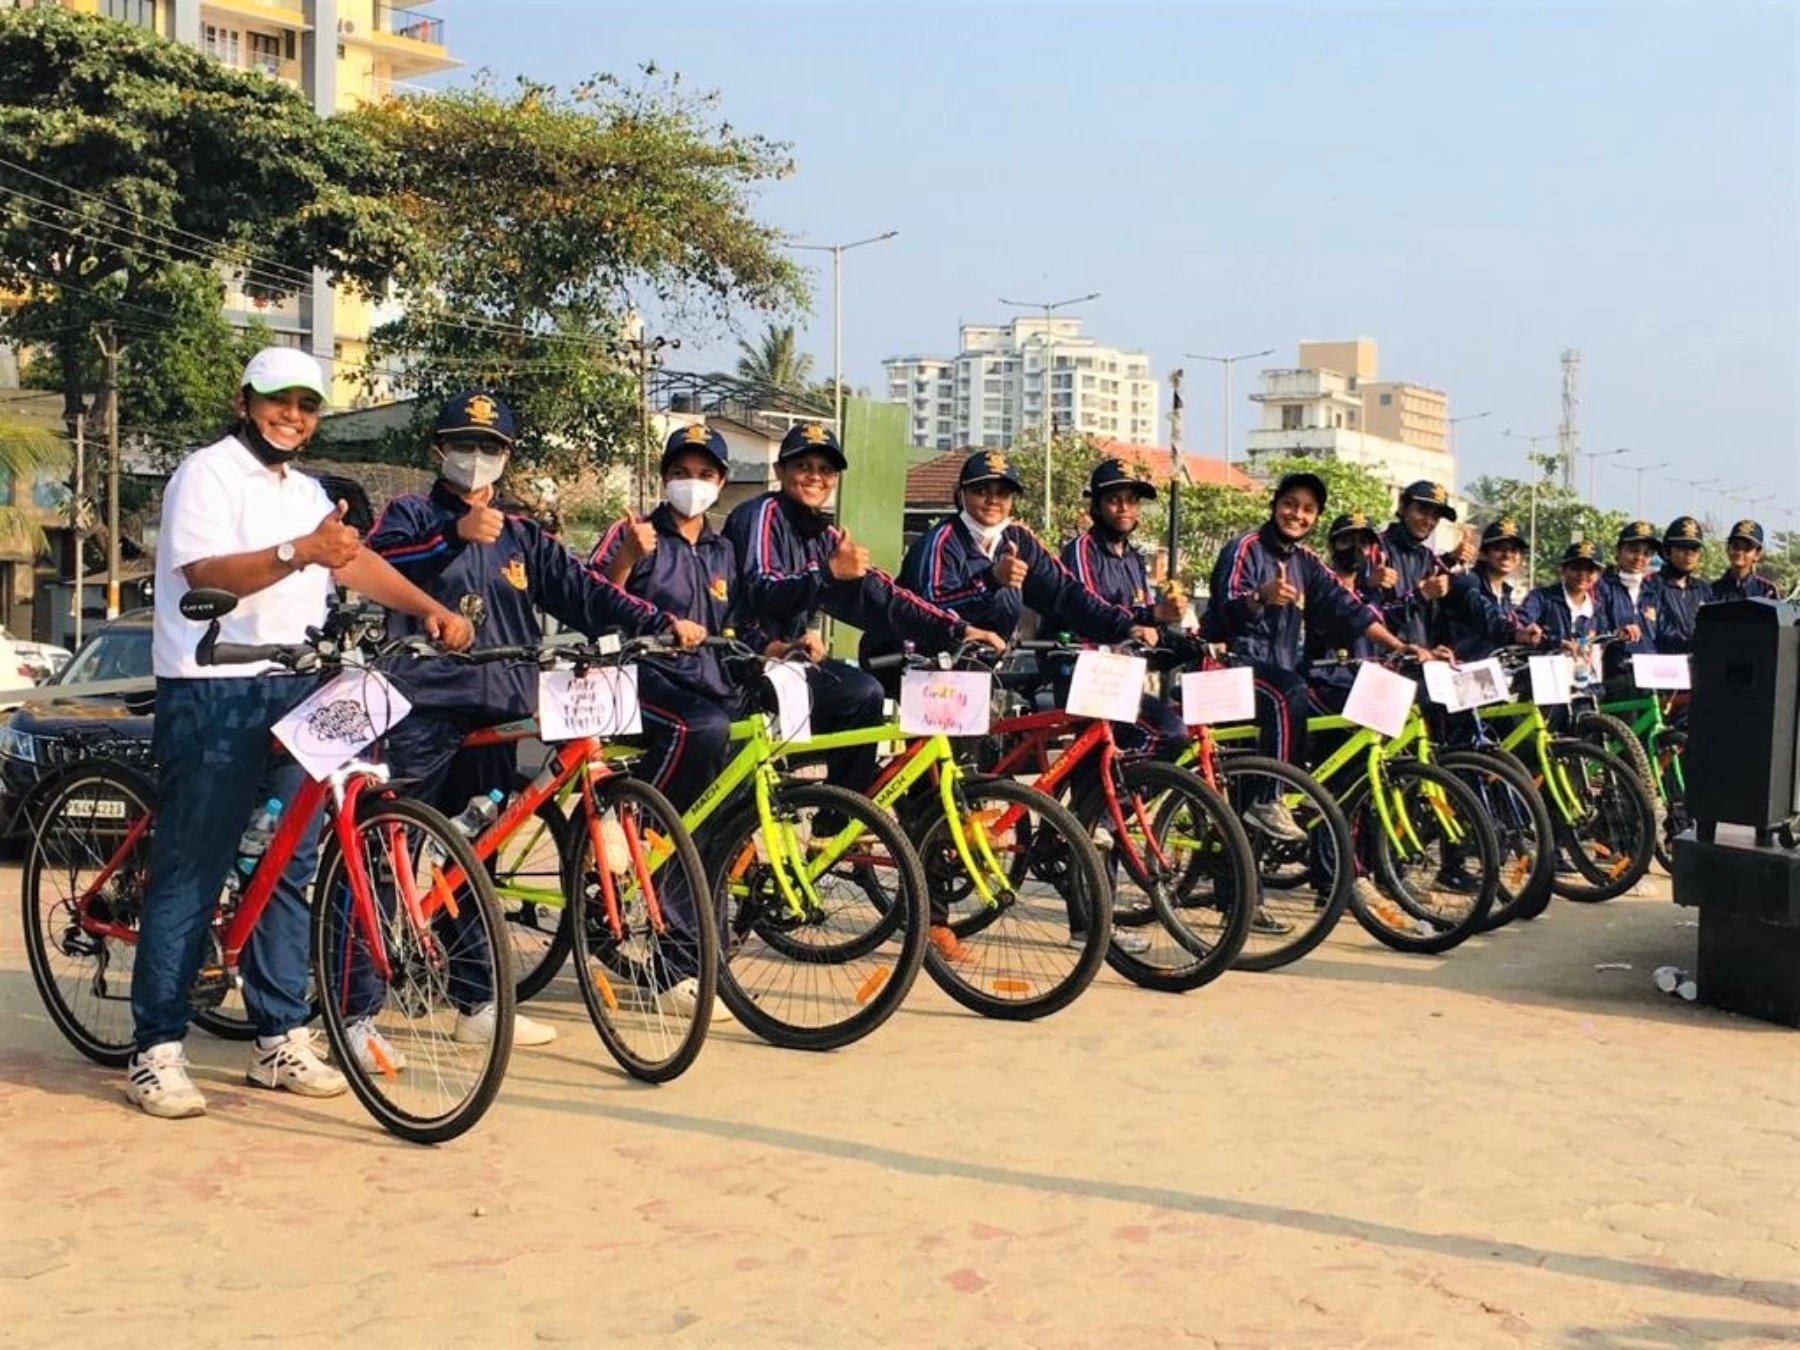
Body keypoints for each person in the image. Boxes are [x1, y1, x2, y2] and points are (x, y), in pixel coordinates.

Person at [127, 348, 475, 1121]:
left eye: (307, 405)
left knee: (290, 864)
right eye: (278, 401)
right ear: (246, 400)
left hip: (297, 688)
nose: (292, 415)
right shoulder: (207, 474)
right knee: (194, 864)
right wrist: (300, 552)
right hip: (213, 687)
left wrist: (428, 608)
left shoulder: (309, 491)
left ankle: (279, 1037)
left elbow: (349, 566)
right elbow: (205, 576)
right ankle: (155, 1049)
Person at [368, 391, 703, 1052]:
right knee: (391, 850)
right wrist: (449, 538)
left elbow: (586, 592)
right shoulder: (408, 514)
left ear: (507, 457)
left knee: (474, 861)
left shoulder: (524, 534)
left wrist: (658, 623)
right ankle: (351, 1001)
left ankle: (478, 1002)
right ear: (439, 450)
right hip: (426, 704)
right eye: (465, 444)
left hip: (502, 713)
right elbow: (375, 572)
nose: (476, 458)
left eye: (490, 447)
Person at [875, 449, 1155, 957]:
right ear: (962, 494)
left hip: (981, 675)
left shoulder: (1020, 540)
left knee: (972, 787)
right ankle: (928, 919)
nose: (992, 499)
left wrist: (1124, 624)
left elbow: (1066, 594)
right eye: (982, 489)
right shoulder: (940, 541)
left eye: (1002, 491)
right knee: (939, 795)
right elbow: (926, 607)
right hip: (922, 668)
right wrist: (992, 582)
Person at [722, 423, 1001, 812]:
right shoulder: (761, 514)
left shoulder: (825, 534)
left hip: (792, 659)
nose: (815, 476)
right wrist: (826, 574)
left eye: (826, 470)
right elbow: (760, 586)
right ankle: (834, 809)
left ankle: (841, 816)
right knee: (858, 694)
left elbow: (882, 596)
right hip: (744, 654)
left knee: (864, 693)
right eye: (804, 466)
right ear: (781, 470)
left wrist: (956, 628)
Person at [587, 424, 748, 1017]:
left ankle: (708, 951)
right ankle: (633, 817)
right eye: (683, 472)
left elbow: (742, 618)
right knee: (691, 788)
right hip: (642, 682)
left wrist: (779, 647)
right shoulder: (635, 532)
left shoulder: (724, 549)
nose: (694, 484)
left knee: (727, 810)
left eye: (706, 475)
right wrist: (628, 560)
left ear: (722, 483)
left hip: (708, 683)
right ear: (664, 476)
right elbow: (590, 597)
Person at [1204, 471, 1438, 816]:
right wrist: (1259, 597)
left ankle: (1319, 809)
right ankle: (1273, 800)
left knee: (1357, 708)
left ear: (1315, 517)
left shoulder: (1306, 561)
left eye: (1308, 509)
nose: (1297, 515)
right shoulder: (1244, 547)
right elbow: (1225, 612)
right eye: (1290, 505)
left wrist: (1396, 645)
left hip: (1276, 672)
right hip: (1228, 667)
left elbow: (1348, 609)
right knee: (1290, 690)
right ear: (1274, 505)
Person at [1059, 456, 1189, 767]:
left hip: (1122, 673)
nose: (1124, 508)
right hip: (1085, 672)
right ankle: (1116, 802)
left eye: (1131, 500)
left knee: (1097, 768)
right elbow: (1089, 606)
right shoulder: (1080, 549)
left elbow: (1137, 610)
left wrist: (1161, 614)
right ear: (1097, 506)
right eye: (1114, 500)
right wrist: (1136, 625)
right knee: (1169, 732)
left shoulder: (1133, 558)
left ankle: (1107, 808)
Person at [1595, 520, 1660, 690]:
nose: (1639, 558)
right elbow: (1594, 628)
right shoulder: (1602, 588)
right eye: (1633, 550)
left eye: (1646, 553)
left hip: (1650, 677)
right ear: (1618, 551)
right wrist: (1616, 634)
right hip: (1615, 677)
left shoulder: (1654, 591)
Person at [1651, 516, 1713, 653]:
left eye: (1694, 549)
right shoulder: (1652, 586)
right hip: (1663, 662)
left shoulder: (1704, 590)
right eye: (1683, 547)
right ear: (1668, 551)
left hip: (1697, 664)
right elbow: (1657, 629)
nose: (1689, 554)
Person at [1712, 519, 1780, 603]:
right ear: (1727, 549)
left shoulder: (1767, 591)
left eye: (1747, 548)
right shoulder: (1712, 590)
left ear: (1757, 554)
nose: (1740, 552)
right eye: (1736, 546)